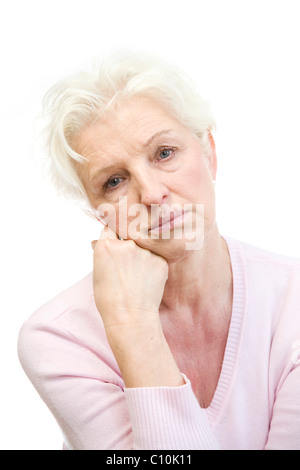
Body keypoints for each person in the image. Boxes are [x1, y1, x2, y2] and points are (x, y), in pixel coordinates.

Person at [18, 51, 300, 450]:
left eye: (164, 153)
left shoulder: (294, 301)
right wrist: (131, 325)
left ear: (210, 154)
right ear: (97, 213)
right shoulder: (59, 337)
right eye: (114, 181)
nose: (151, 193)